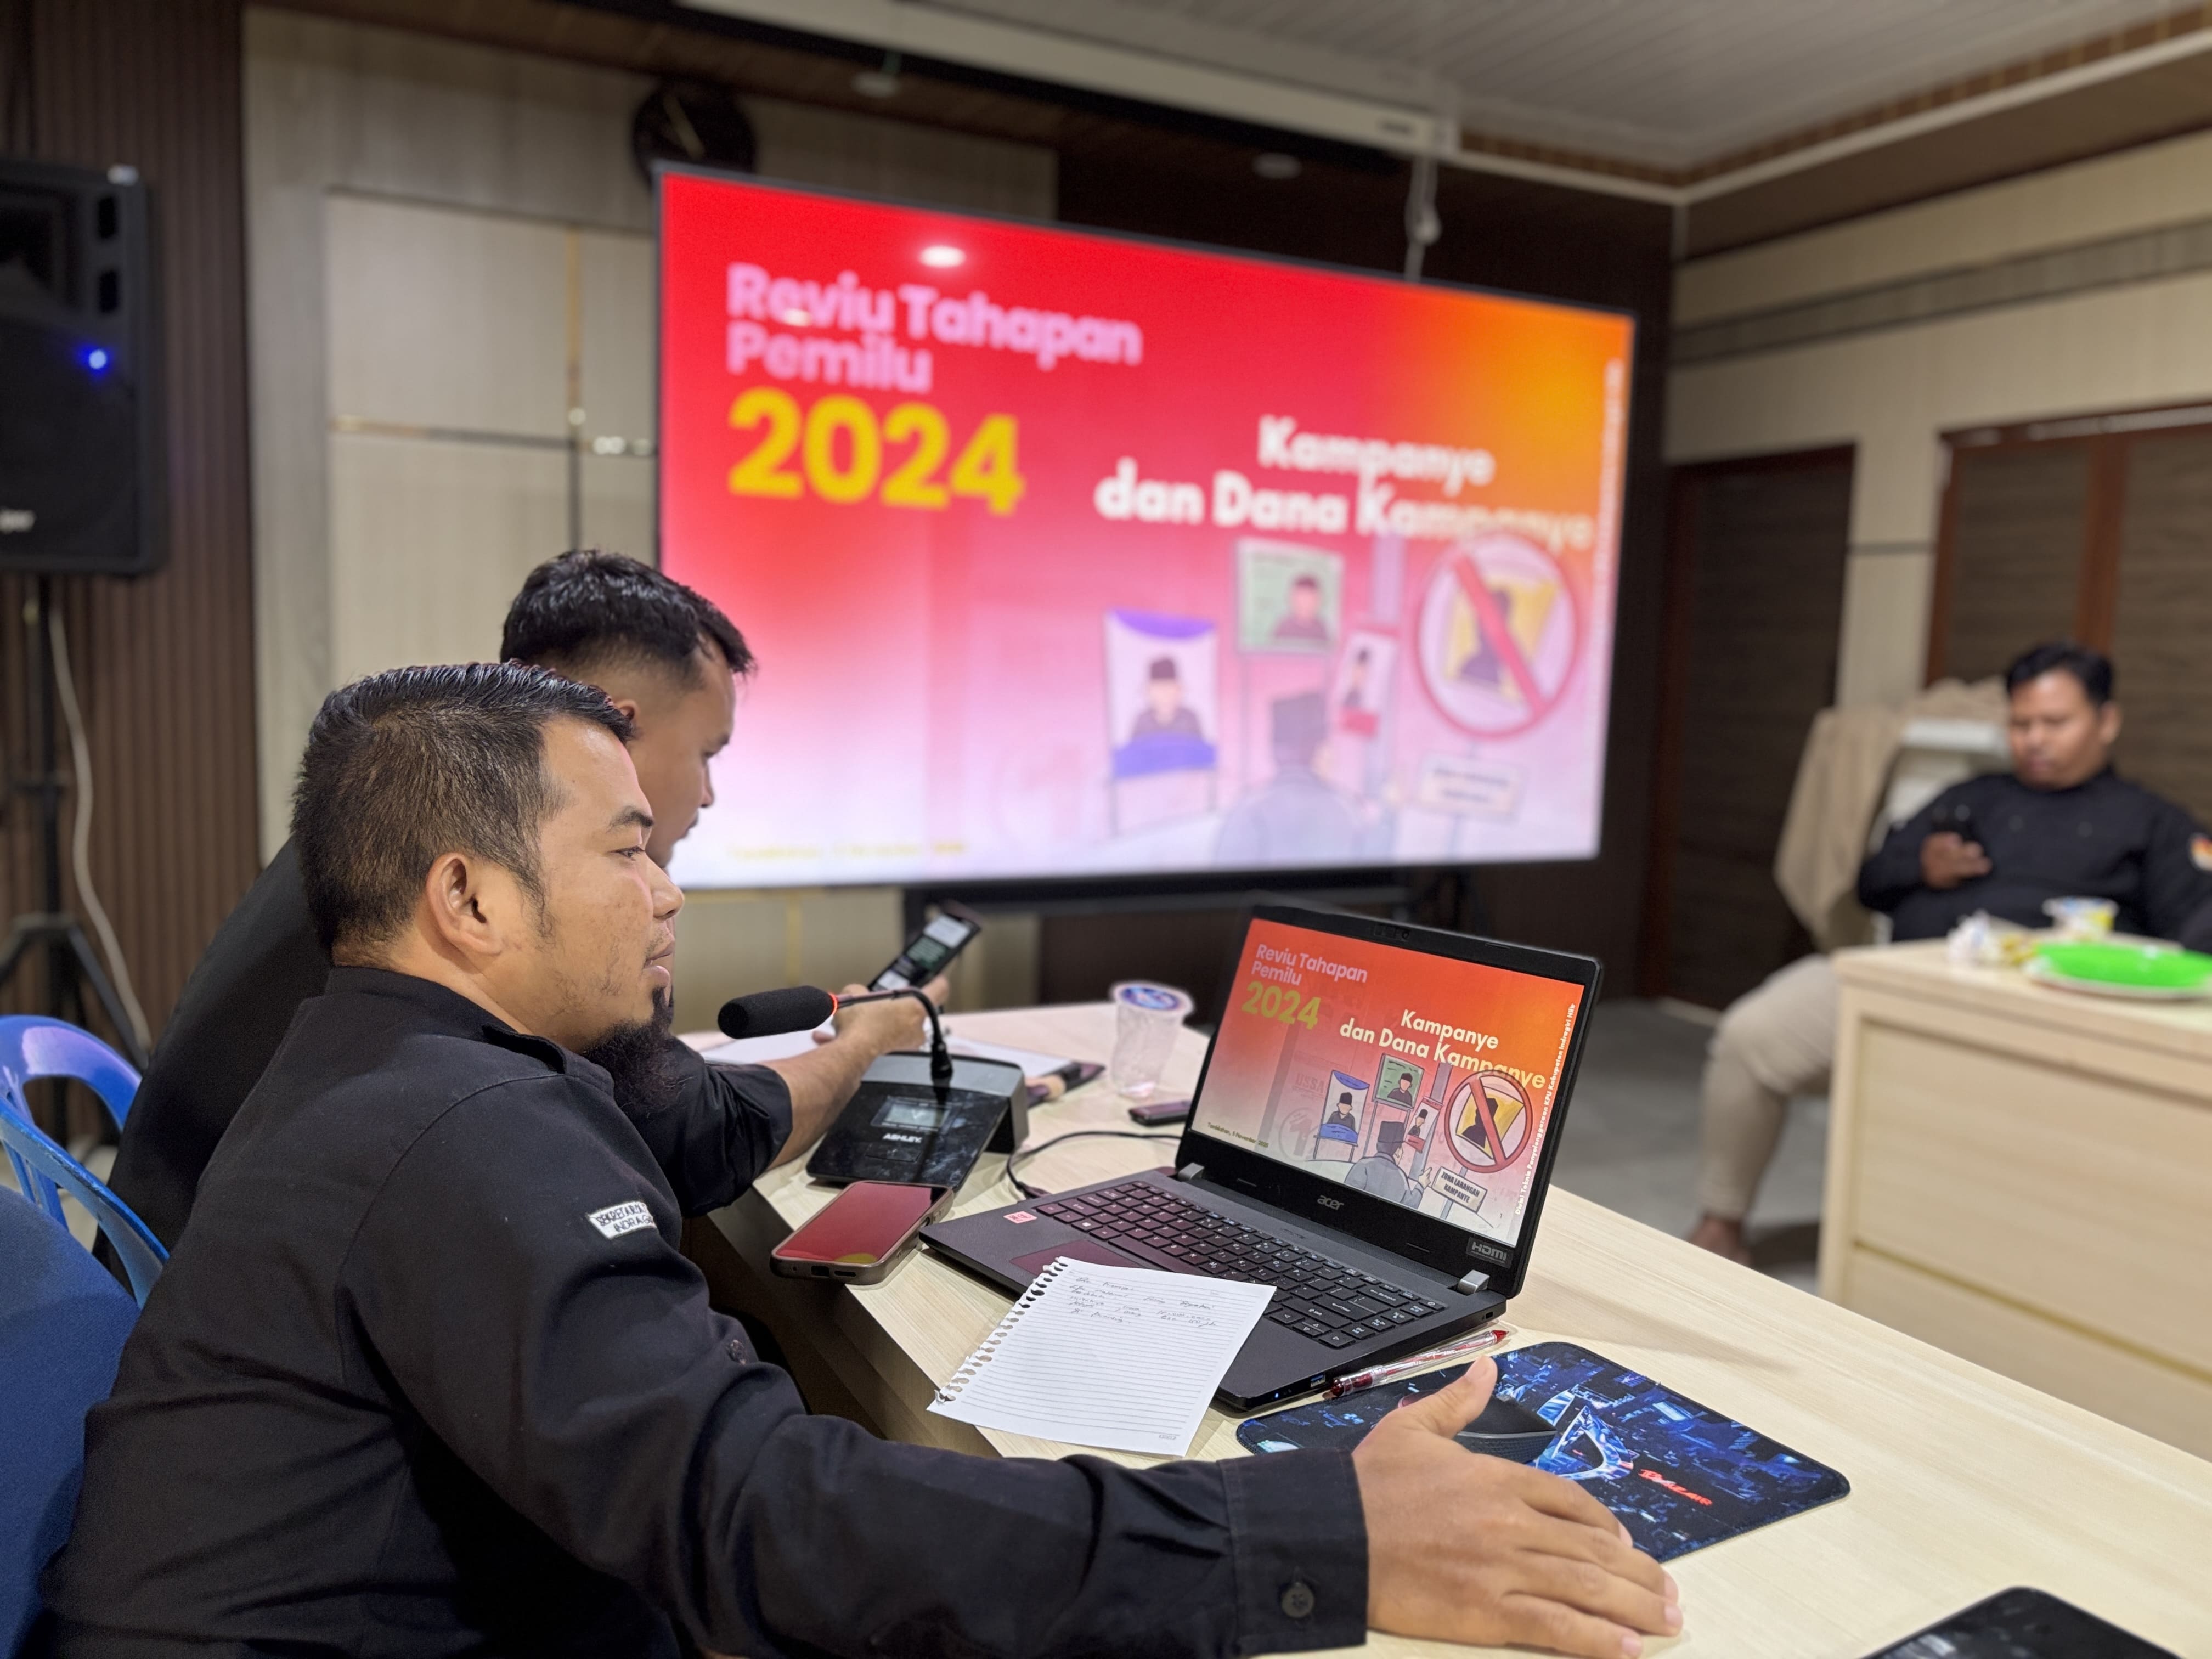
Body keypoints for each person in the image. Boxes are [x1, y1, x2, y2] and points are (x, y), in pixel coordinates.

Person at [41, 663, 1679, 1659]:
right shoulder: (461, 1134)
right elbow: (764, 1523)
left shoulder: (372, 1070)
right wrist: (1324, 1537)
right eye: (629, 849)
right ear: (467, 900)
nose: (668, 891)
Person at [105, 551, 928, 1252]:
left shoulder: (393, 810)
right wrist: (863, 1048)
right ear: (616, 731)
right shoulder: (472, 866)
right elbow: (697, 1136)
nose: (708, 795)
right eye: (707, 753)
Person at [1689, 641, 2212, 1263]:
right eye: (2021, 724)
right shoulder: (1968, 798)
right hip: (1904, 982)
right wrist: (1921, 865)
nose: (2035, 740)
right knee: (1751, 1035)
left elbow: (2195, 936)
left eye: (2055, 723)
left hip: (2042, 1016)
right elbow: (1870, 882)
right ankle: (1721, 1221)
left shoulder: (2153, 823)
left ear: (2106, 721)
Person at [1215, 691, 1361, 865]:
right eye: (1327, 746)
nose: (1333, 756)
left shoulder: (1248, 809)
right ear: (1318, 750)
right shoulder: (1346, 809)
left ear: (1276, 751)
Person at [1129, 654, 1204, 743]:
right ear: (1149, 692)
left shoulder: (1189, 720)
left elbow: (1198, 749)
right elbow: (1135, 749)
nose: (1165, 695)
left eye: (1169, 689)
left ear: (1179, 691)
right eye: (1160, 690)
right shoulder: (1143, 721)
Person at [1272, 572, 1331, 644]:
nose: (1304, 604)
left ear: (1318, 600)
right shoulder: (1283, 628)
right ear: (1293, 599)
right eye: (1301, 599)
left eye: (1309, 599)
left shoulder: (1322, 629)